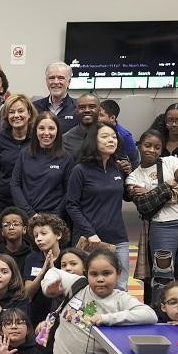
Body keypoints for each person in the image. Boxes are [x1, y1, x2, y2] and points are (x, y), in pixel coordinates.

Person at [127, 129, 178, 306]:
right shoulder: (133, 176)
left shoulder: (171, 162)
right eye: (147, 145)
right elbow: (144, 205)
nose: (152, 150)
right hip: (160, 228)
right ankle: (161, 313)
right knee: (163, 277)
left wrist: (154, 192)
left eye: (157, 147)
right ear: (139, 146)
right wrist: (166, 186)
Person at [66, 122, 133, 291]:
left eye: (113, 137)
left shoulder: (117, 168)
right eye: (105, 137)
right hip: (89, 239)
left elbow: (126, 196)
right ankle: (92, 318)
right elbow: (71, 205)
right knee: (88, 286)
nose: (111, 140)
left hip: (118, 237)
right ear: (93, 141)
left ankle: (117, 318)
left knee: (120, 285)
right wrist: (90, 233)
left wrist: (131, 178)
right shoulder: (80, 170)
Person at [11, 111, 74, 218]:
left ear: (58, 131)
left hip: (55, 219)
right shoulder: (24, 154)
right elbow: (15, 184)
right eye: (41, 128)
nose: (46, 133)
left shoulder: (66, 158)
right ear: (35, 130)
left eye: (51, 128)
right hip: (28, 217)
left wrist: (54, 216)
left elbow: (69, 191)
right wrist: (30, 213)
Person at [0, 94, 37, 211]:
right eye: (11, 112)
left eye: (21, 111)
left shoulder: (38, 139)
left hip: (32, 203)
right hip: (4, 203)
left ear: (29, 113)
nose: (16, 115)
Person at [22, 213, 68, 327]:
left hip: (62, 318)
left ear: (58, 234)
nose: (39, 238)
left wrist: (53, 271)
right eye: (36, 235)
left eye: (43, 233)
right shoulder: (32, 258)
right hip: (35, 317)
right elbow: (27, 294)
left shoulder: (68, 258)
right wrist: (43, 271)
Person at [32, 62, 78, 134]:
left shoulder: (78, 108)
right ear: (46, 81)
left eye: (61, 78)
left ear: (69, 82)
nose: (56, 82)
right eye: (52, 78)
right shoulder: (34, 107)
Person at [99, 99, 139, 167]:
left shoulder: (125, 136)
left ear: (112, 118)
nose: (97, 118)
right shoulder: (96, 129)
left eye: (101, 115)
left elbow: (135, 162)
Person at [0, 206, 32, 275]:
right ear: (2, 231)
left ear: (24, 229)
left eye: (16, 224)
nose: (11, 227)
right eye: (6, 225)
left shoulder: (32, 255)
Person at [61, 93, 101, 159]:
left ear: (99, 111)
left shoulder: (112, 136)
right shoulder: (65, 140)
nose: (87, 110)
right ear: (76, 111)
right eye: (82, 108)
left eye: (91, 107)